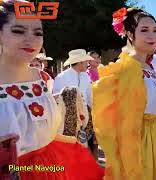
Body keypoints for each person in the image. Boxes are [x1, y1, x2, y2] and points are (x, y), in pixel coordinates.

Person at [0, 1, 103, 179]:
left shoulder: (42, 79)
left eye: (37, 33)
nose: (31, 39)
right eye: (18, 31)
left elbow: (49, 131)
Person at [92, 7, 156, 180]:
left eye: (155, 30)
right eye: (144, 30)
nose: (152, 35)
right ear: (130, 34)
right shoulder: (126, 68)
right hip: (139, 141)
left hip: (155, 137)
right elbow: (119, 118)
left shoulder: (149, 67)